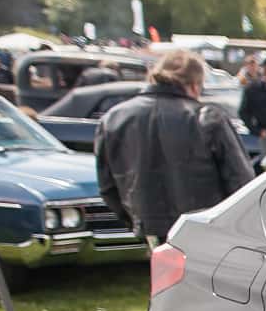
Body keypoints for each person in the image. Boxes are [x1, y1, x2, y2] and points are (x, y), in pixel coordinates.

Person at [95, 50, 251, 246]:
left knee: (162, 275)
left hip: (150, 227)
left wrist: (136, 220)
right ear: (195, 86)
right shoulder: (206, 117)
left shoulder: (113, 119)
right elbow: (241, 181)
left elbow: (107, 187)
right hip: (204, 229)